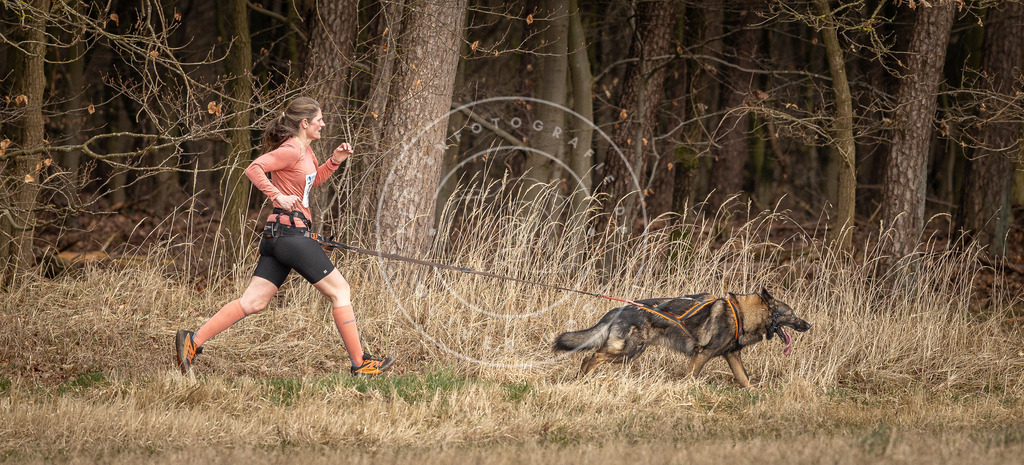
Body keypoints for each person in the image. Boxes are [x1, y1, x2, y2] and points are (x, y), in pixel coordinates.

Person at [175, 97, 394, 377]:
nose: (323, 124)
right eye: (319, 120)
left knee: (254, 302)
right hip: (290, 235)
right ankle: (361, 363)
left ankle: (192, 342)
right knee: (341, 291)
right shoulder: (291, 149)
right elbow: (253, 169)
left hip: (278, 236)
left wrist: (334, 161)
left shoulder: (307, 151)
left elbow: (310, 183)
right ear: (305, 124)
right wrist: (276, 194)